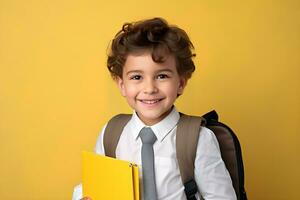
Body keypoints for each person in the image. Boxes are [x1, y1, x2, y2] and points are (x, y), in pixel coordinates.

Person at [72, 17, 237, 200]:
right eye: (136, 77)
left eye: (162, 76)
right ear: (122, 85)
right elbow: (90, 186)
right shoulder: (111, 134)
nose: (149, 89)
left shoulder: (198, 139)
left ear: (181, 83)